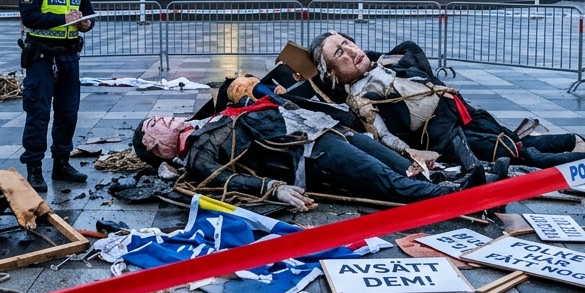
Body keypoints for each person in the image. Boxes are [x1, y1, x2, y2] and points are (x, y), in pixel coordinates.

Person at [309, 34, 585, 179]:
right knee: (512, 149)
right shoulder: (360, 96)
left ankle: (570, 142)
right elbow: (383, 136)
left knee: (507, 138)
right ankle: (581, 159)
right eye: (340, 53)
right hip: (440, 133)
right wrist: (411, 154)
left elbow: (413, 58)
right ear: (332, 74)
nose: (350, 51)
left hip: (458, 110)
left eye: (348, 43)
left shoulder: (385, 60)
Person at [132, 97, 459, 209]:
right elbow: (226, 179)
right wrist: (274, 188)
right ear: (156, 147)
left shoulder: (202, 125)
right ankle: (460, 197)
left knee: (406, 167)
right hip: (311, 151)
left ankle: (460, 182)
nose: (160, 117)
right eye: (154, 125)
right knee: (389, 182)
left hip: (325, 129)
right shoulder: (198, 154)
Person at [17, 0, 94, 191]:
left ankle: (61, 162)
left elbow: (88, 12)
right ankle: (34, 168)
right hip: (42, 57)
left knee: (68, 112)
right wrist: (63, 19)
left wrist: (85, 24)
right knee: (38, 113)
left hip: (69, 57)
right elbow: (29, 16)